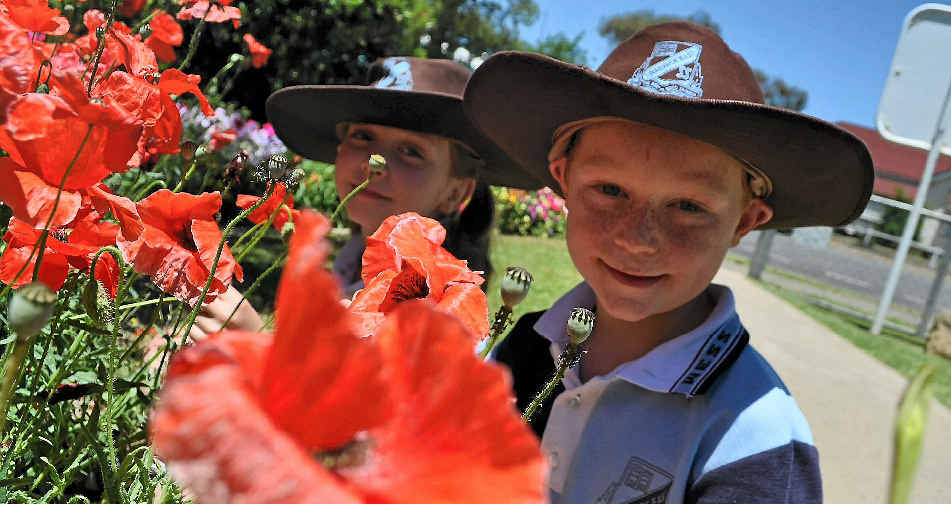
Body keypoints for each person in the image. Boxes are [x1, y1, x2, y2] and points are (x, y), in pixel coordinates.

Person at [464, 22, 874, 503]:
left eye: (688, 207)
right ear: (564, 179)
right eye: (610, 190)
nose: (638, 239)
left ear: (744, 221)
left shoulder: (756, 438)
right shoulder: (517, 350)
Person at [190, 57, 540, 337]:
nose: (377, 164)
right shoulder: (351, 259)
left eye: (411, 151)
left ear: (456, 192)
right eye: (363, 136)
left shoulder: (438, 302)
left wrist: (259, 345)